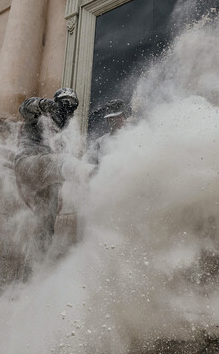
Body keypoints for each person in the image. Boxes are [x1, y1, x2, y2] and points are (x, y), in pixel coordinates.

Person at [14, 87, 95, 266]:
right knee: (63, 161)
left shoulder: (66, 131)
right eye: (64, 102)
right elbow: (25, 109)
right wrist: (42, 104)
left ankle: (34, 271)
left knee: (45, 225)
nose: (67, 108)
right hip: (29, 162)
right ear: (56, 102)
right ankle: (94, 174)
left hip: (49, 180)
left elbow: (65, 165)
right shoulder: (42, 115)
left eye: (72, 105)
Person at [86, 99, 132, 164]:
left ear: (124, 116)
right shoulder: (99, 142)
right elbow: (89, 165)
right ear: (108, 119)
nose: (114, 120)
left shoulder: (134, 137)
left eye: (118, 116)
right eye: (111, 118)